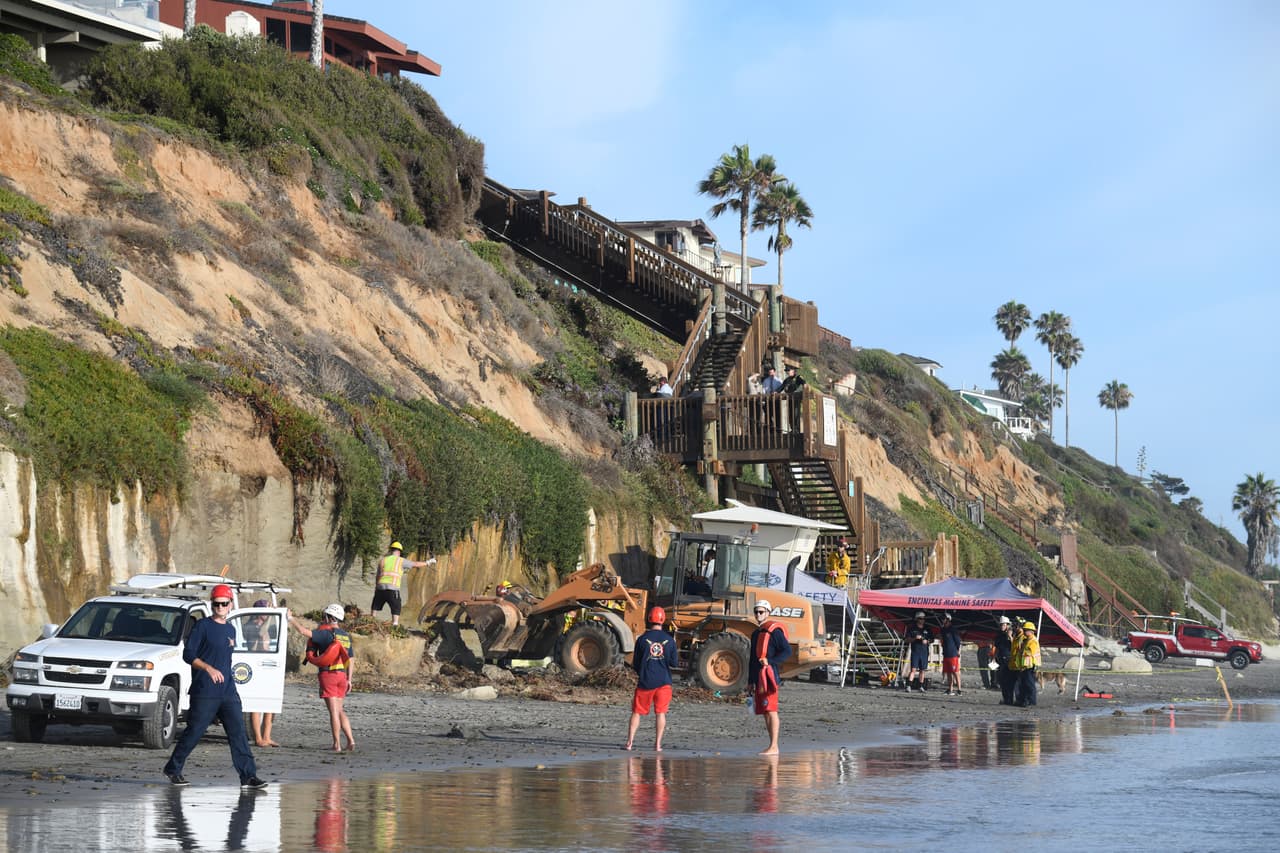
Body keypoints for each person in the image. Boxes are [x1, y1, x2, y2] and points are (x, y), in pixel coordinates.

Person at [162, 584, 267, 789]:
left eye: (223, 604)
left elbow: (226, 659)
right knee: (195, 731)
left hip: (228, 691)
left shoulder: (231, 629)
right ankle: (173, 768)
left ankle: (248, 776)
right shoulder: (202, 626)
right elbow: (188, 654)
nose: (220, 607)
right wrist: (208, 668)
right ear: (212, 604)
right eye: (216, 604)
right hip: (205, 691)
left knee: (238, 733)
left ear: (230, 605)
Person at [289, 603, 355, 752]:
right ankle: (351, 740)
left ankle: (336, 744)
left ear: (329, 617)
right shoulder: (345, 636)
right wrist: (349, 679)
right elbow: (351, 659)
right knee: (340, 710)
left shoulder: (325, 633)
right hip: (342, 676)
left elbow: (303, 631)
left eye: (324, 616)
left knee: (334, 712)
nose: (323, 618)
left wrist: (291, 618)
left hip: (329, 675)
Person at [625, 606, 677, 751]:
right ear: (663, 619)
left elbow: (635, 663)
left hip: (645, 682)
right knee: (660, 713)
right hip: (664, 683)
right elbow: (674, 663)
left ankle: (629, 743)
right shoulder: (670, 640)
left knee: (636, 712)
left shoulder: (642, 639)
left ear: (649, 619)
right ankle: (658, 744)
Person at [749, 600, 792, 755]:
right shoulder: (756, 633)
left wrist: (770, 661)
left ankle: (774, 746)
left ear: (768, 612)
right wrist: (750, 681)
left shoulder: (775, 632)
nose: (758, 615)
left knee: (771, 709)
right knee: (765, 711)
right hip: (758, 677)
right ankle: (771, 745)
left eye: (761, 612)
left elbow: (787, 651)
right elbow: (752, 659)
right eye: (756, 612)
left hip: (770, 676)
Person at [371, 541, 436, 627]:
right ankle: (395, 624)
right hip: (392, 588)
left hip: (380, 587)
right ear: (399, 551)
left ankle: (371, 620)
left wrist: (376, 588)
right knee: (396, 606)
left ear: (391, 550)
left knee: (375, 605)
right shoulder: (400, 560)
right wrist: (428, 562)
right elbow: (415, 564)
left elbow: (378, 576)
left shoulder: (383, 560)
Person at [245, 599, 280, 748]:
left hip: (268, 664)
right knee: (257, 704)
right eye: (266, 611)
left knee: (270, 703)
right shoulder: (251, 625)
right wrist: (271, 615)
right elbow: (261, 633)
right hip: (256, 663)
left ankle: (267, 736)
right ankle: (258, 738)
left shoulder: (265, 625)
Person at [904, 611, 932, 692]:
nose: (922, 620)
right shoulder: (912, 628)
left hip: (924, 652)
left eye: (923, 618)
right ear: (917, 619)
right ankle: (908, 686)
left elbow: (932, 639)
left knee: (922, 670)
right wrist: (915, 638)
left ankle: (921, 686)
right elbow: (906, 639)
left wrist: (927, 641)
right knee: (913, 669)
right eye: (920, 618)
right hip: (915, 652)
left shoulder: (927, 628)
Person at [1016, 621, 1042, 707]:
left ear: (1031, 631)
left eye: (1025, 630)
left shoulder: (1033, 641)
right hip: (1025, 666)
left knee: (1029, 684)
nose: (1024, 631)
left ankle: (1032, 701)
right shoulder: (1027, 641)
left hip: (1030, 666)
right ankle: (1024, 700)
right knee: (1024, 684)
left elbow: (1030, 654)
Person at [939, 613, 962, 695]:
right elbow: (942, 640)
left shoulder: (953, 629)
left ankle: (959, 690)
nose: (942, 620)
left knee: (955, 672)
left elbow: (958, 642)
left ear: (948, 619)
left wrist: (958, 651)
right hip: (946, 654)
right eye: (942, 618)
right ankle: (950, 689)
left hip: (953, 654)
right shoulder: (943, 629)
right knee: (948, 672)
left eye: (944, 618)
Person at [1007, 616, 1026, 705]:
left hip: (1019, 665)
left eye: (1015, 626)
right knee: (1013, 684)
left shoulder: (1022, 637)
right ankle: (1015, 700)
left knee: (1019, 684)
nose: (1014, 628)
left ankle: (1020, 701)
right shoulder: (1016, 637)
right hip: (1014, 664)